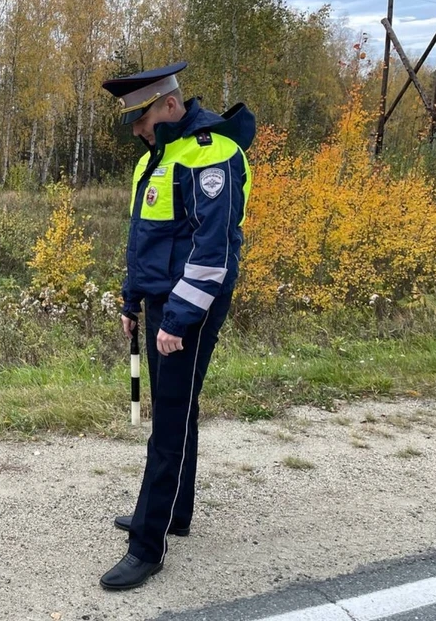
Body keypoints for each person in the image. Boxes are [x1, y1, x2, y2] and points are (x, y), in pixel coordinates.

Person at [97, 62, 255, 591]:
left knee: (167, 417)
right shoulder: (158, 158)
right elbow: (145, 238)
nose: (137, 130)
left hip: (194, 304)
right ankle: (175, 514)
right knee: (177, 406)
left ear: (168, 104)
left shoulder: (213, 154)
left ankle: (148, 544)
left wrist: (180, 320)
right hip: (163, 301)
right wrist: (132, 300)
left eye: (141, 119)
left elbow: (214, 253)